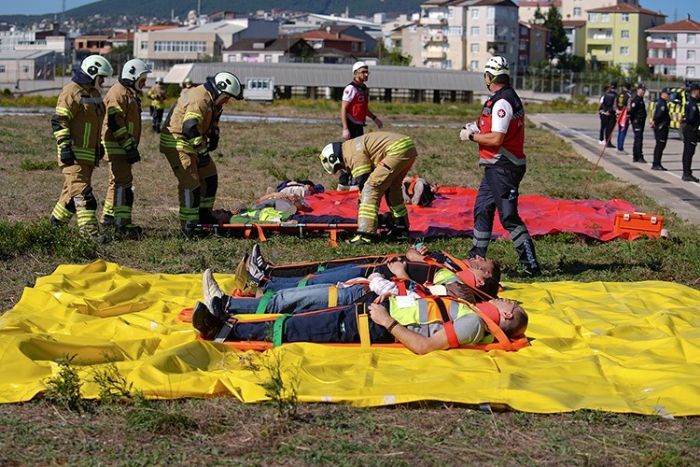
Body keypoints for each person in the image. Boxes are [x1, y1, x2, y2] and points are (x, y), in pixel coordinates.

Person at [192, 282, 528, 354]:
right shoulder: (473, 316)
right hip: (376, 311)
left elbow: (425, 345)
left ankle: (222, 331)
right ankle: (228, 316)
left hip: (375, 325)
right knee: (306, 316)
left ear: (507, 313)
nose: (503, 297)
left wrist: (386, 320)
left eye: (507, 300)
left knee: (297, 328)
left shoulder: (476, 323)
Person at [459, 56, 540, 276]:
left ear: (489, 77)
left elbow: (496, 139)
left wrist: (471, 136)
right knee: (482, 208)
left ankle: (530, 264)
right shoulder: (500, 99)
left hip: (504, 166)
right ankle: (476, 256)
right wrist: (476, 126)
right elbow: (492, 124)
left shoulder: (502, 102)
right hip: (495, 166)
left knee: (508, 216)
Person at [201, 257, 478, 316]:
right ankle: (246, 293)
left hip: (362, 295)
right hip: (362, 287)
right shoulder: (442, 284)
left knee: (291, 301)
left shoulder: (444, 291)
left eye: (482, 266)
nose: (477, 260)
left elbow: (403, 294)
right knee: (294, 295)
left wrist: (400, 276)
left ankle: (226, 304)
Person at [245, 243, 501, 299]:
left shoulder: (460, 288)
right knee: (321, 275)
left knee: (317, 282)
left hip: (377, 280)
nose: (477, 261)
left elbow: (422, 293)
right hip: (379, 270)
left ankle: (264, 283)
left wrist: (402, 271)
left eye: (481, 266)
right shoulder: (457, 274)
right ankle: (268, 275)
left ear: (482, 279)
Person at [159, 72, 242, 235]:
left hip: (192, 141)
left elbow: (211, 121)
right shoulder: (200, 98)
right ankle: (189, 227)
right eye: (227, 97)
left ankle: (203, 215)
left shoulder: (213, 100)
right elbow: (189, 127)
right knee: (191, 184)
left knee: (210, 177)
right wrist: (202, 153)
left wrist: (214, 134)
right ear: (220, 90)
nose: (227, 101)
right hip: (178, 141)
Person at [49, 55, 113, 239]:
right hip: (73, 156)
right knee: (84, 196)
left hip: (87, 157)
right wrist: (64, 145)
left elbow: (93, 122)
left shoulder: (93, 93)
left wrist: (98, 145)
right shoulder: (71, 91)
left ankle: (55, 225)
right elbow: (60, 120)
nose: (102, 81)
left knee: (70, 196)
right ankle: (89, 234)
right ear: (92, 72)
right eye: (101, 77)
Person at [319, 132, 417, 244]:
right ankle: (401, 229)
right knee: (393, 189)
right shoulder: (350, 147)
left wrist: (363, 207)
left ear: (334, 158)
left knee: (370, 188)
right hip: (407, 147)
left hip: (397, 150)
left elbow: (364, 181)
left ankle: (366, 234)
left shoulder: (351, 154)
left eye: (339, 166)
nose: (343, 168)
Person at [100, 58, 150, 237]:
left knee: (115, 182)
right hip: (118, 146)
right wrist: (128, 145)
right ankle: (122, 225)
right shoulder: (118, 93)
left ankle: (108, 218)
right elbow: (115, 122)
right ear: (132, 77)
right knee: (123, 184)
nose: (144, 84)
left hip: (122, 145)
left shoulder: (127, 92)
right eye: (142, 80)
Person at [338, 61, 383, 191]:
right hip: (351, 125)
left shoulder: (364, 89)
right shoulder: (350, 89)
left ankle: (354, 182)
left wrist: (375, 118)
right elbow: (343, 109)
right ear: (355, 73)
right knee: (351, 154)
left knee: (359, 154)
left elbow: (363, 108)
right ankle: (344, 182)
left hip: (359, 125)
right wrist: (345, 128)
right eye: (363, 72)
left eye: (367, 72)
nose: (366, 74)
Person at [681, 83, 700, 182]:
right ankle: (686, 173)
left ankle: (687, 172)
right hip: (691, 131)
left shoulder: (689, 102)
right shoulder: (692, 104)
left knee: (687, 152)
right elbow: (691, 118)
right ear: (695, 91)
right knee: (689, 152)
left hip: (688, 130)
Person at [651, 88, 671, 171]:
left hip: (661, 127)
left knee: (660, 146)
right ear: (663, 94)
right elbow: (658, 115)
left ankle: (657, 163)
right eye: (667, 94)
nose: (669, 96)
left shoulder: (662, 102)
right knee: (660, 146)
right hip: (661, 128)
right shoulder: (662, 104)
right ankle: (656, 163)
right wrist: (655, 122)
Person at [628, 84, 647, 163]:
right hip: (637, 122)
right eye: (642, 90)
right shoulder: (636, 100)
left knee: (638, 139)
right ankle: (639, 156)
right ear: (638, 90)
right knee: (638, 139)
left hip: (641, 122)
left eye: (644, 90)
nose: (643, 91)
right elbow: (632, 111)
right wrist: (633, 120)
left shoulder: (641, 99)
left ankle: (635, 156)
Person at [598, 82, 617, 147]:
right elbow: (601, 104)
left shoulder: (611, 95)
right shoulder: (605, 95)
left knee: (607, 128)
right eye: (610, 88)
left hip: (607, 112)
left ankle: (606, 140)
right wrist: (602, 111)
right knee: (604, 127)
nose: (611, 89)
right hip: (604, 113)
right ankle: (601, 139)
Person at [616, 82, 632, 152]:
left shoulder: (619, 94)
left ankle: (618, 145)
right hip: (625, 116)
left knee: (620, 130)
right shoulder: (628, 96)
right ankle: (620, 147)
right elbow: (629, 107)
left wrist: (617, 111)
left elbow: (615, 103)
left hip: (618, 114)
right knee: (623, 131)